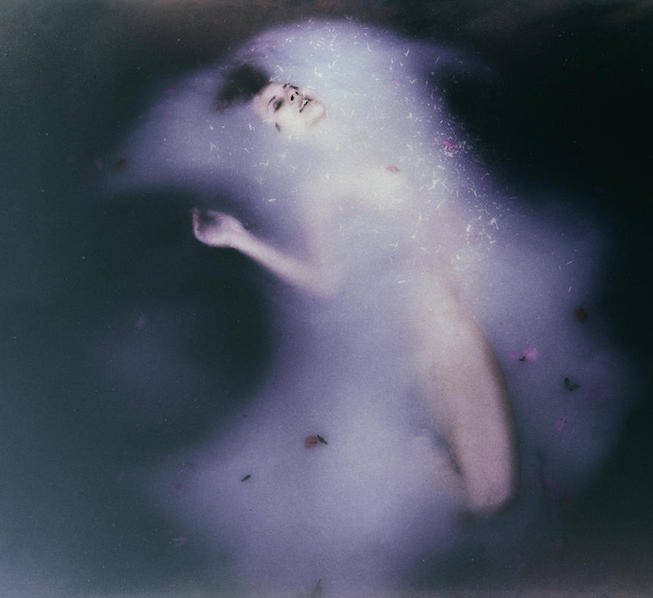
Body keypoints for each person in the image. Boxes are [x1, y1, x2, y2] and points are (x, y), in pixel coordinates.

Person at [191, 70, 517, 513]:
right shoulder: (322, 189)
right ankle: (407, 461)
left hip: (459, 294)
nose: (294, 97)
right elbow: (324, 281)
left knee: (496, 476)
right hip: (431, 311)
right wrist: (240, 239)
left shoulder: (370, 130)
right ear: (279, 133)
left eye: (290, 88)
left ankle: (409, 457)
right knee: (491, 492)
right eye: (277, 105)